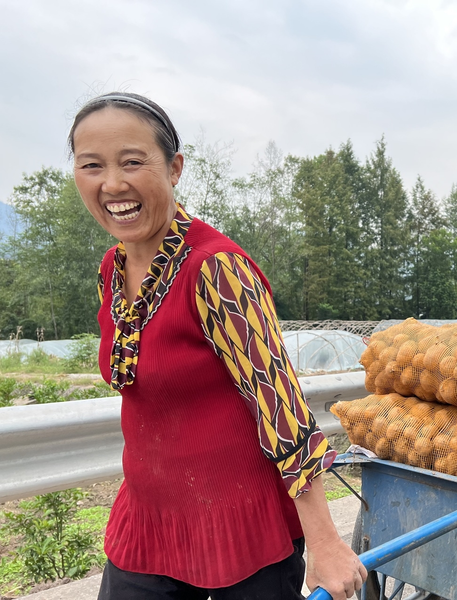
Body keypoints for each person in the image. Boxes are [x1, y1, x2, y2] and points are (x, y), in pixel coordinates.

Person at [69, 92, 366, 600]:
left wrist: (325, 541)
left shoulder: (215, 268)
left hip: (241, 532)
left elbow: (278, 402)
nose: (112, 184)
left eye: (132, 162)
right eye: (92, 165)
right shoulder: (111, 271)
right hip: (149, 523)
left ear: (174, 168)